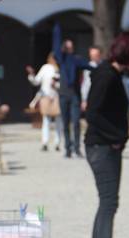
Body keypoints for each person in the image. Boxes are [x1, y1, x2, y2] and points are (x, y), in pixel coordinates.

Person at [84, 32, 129, 238]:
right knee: (109, 201)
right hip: (102, 146)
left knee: (106, 200)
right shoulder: (106, 76)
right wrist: (116, 138)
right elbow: (93, 114)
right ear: (128, 52)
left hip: (105, 145)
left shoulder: (112, 73)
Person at [53, 24, 91, 158]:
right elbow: (56, 47)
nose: (70, 48)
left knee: (76, 122)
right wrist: (57, 29)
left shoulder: (77, 60)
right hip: (63, 95)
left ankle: (76, 148)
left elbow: (89, 66)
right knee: (65, 122)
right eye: (67, 46)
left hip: (75, 96)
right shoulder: (61, 60)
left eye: (71, 46)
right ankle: (67, 149)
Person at [26, 53, 62, 152]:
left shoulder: (60, 69)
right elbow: (36, 81)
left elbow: (63, 85)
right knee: (46, 120)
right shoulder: (45, 68)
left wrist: (57, 85)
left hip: (56, 97)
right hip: (45, 96)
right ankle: (45, 142)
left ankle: (57, 142)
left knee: (59, 120)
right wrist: (31, 75)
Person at [80, 46, 102, 112]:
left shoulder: (104, 66)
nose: (93, 57)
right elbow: (86, 84)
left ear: (100, 55)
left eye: (95, 55)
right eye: (91, 55)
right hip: (92, 97)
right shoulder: (88, 67)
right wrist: (84, 100)